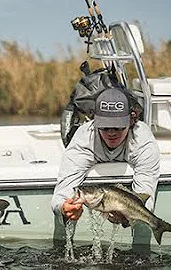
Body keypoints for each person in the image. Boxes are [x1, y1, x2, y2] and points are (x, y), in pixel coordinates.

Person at [51, 87, 160, 251]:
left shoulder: (143, 142)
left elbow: (146, 196)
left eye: (118, 127)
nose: (111, 133)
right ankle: (60, 251)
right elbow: (61, 193)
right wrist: (64, 208)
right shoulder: (83, 138)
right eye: (104, 127)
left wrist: (125, 217)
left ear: (131, 120)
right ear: (94, 122)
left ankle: (141, 254)